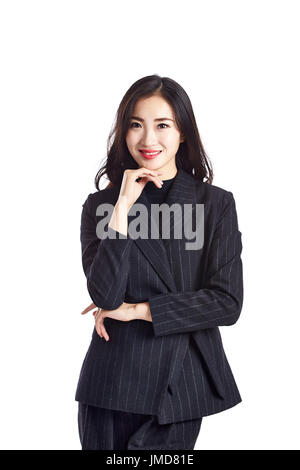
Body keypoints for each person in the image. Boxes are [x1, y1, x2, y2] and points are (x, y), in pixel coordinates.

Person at [75, 74, 244, 450]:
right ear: (124, 132)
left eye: (162, 125)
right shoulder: (100, 206)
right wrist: (122, 207)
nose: (148, 140)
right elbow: (104, 293)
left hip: (180, 386)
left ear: (182, 132)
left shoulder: (214, 204)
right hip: (111, 382)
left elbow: (228, 303)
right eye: (136, 125)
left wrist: (136, 309)